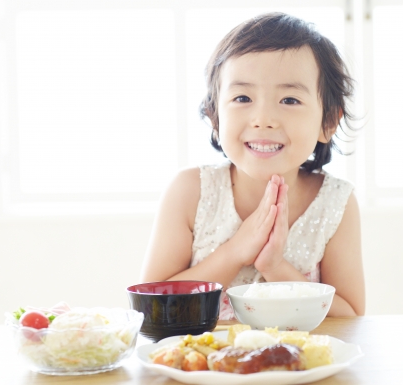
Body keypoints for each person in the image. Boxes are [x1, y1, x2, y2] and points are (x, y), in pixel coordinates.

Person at [140, 12, 365, 319]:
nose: (263, 119)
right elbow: (150, 307)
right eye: (243, 97)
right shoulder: (190, 191)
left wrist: (275, 267)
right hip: (201, 364)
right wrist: (235, 251)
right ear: (214, 116)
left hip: (295, 365)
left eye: (289, 100)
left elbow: (350, 316)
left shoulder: (335, 202)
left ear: (327, 122)